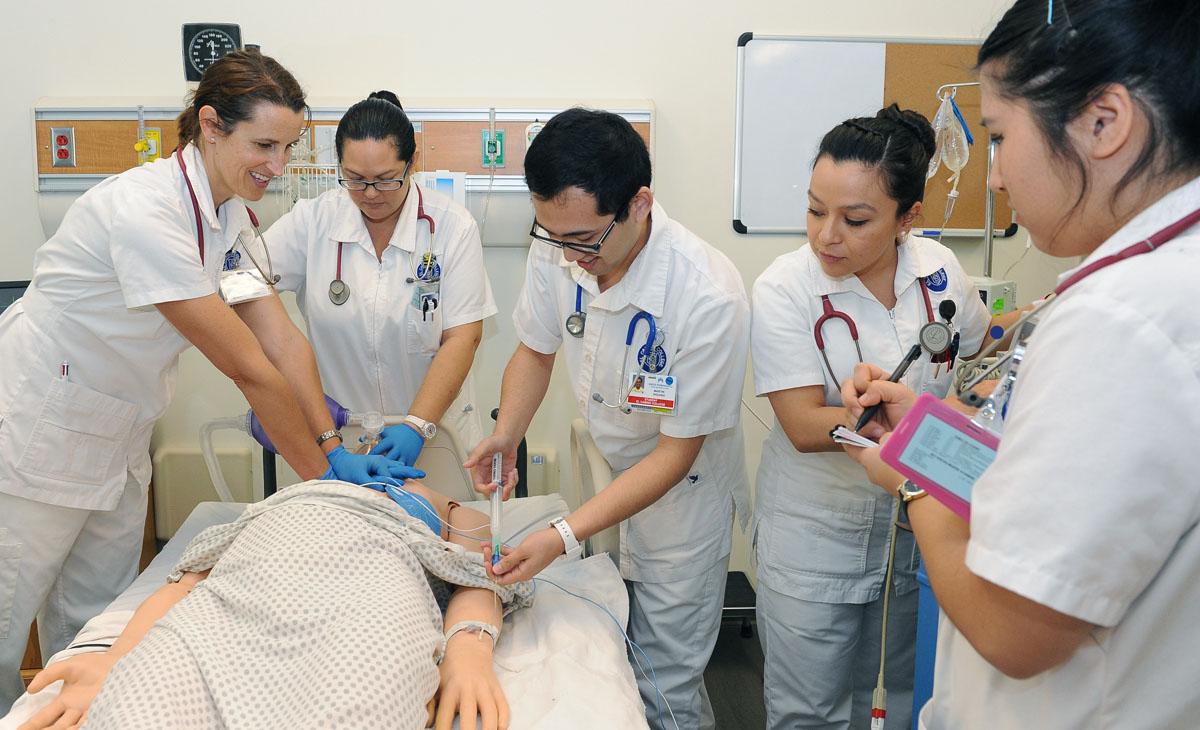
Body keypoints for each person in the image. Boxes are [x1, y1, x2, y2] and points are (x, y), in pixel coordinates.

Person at [0, 50, 415, 713]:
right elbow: (249, 367)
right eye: (265, 145)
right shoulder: (147, 213)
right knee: (4, 621)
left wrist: (332, 444)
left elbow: (282, 341)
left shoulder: (230, 224)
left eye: (289, 147)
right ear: (211, 125)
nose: (278, 166)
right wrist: (328, 484)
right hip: (39, 428)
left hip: (119, 431)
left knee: (92, 623)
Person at [839, 1, 1200, 727]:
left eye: (1000, 138)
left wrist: (912, 480)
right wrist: (931, 430)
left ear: (1105, 121)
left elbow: (1016, 629)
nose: (995, 178)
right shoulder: (1162, 283)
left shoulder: (1120, 319)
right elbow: (1070, 481)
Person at [464, 108, 751, 730]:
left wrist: (562, 536)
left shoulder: (708, 296)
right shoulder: (561, 249)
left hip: (683, 493)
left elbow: (675, 456)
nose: (569, 254)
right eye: (551, 235)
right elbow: (535, 351)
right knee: (616, 646)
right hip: (613, 467)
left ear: (640, 203)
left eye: (583, 240)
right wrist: (507, 434)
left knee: (667, 677)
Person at [749, 104, 1027, 730]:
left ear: (908, 219)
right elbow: (800, 424)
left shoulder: (939, 270)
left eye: (855, 219)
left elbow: (978, 347)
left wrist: (1041, 313)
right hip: (815, 537)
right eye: (816, 210)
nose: (827, 236)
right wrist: (881, 424)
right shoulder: (785, 288)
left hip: (913, 528)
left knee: (900, 698)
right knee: (808, 713)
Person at [14, 478, 530, 730]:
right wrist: (117, 661)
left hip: (364, 591)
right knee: (133, 710)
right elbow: (187, 584)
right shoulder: (282, 498)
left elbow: (479, 573)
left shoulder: (430, 498)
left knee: (358, 712)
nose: (374, 462)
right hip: (243, 594)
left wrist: (470, 651)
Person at [266, 91, 496, 460]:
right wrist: (280, 388)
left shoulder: (451, 227)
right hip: (342, 439)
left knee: (439, 517)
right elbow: (243, 283)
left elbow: (463, 337)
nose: (370, 194)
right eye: (355, 179)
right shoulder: (313, 222)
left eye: (386, 179)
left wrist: (416, 425)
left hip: (434, 436)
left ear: (412, 163)